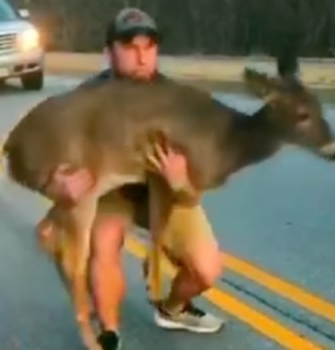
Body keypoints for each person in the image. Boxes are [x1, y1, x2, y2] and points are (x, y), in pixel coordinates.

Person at [36, 8, 224, 350]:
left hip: (163, 190)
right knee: (103, 240)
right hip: (112, 191)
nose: (141, 56)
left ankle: (173, 309)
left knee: (207, 269)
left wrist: (181, 180)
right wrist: (58, 184)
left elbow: (198, 182)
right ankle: (109, 331)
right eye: (129, 46)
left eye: (149, 46)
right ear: (109, 52)